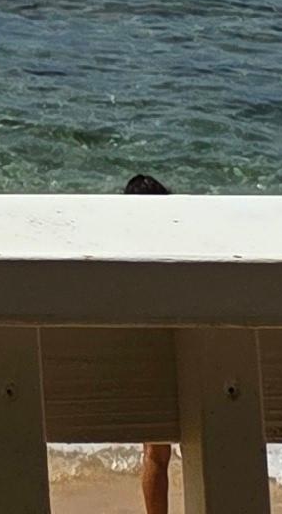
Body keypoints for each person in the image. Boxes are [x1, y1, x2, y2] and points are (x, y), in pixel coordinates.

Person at [124, 175, 172, 514]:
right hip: (174, 348)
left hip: (143, 352)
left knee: (155, 452)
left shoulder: (124, 252)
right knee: (160, 452)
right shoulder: (174, 248)